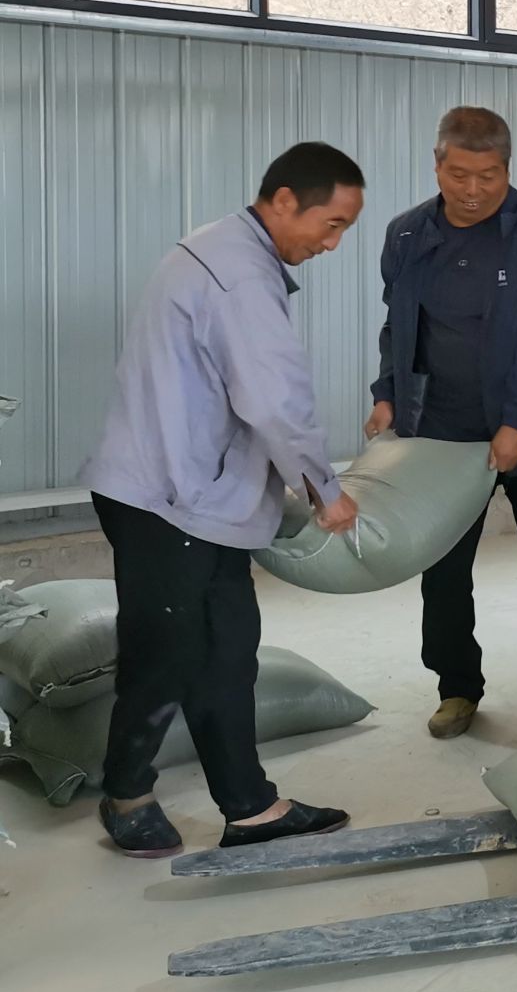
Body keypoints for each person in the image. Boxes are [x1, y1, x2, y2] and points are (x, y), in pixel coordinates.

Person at [81, 143, 364, 857]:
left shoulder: (224, 249)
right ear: (284, 201)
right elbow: (274, 398)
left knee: (229, 651)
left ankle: (251, 807)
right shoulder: (240, 275)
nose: (331, 244)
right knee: (167, 653)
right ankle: (126, 795)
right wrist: (325, 489)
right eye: (331, 224)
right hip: (167, 497)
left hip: (197, 494)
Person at [365, 106, 517, 739]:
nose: (472, 190)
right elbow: (399, 325)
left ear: (507, 168)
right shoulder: (407, 234)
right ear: (437, 164)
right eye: (459, 175)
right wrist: (388, 395)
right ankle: (457, 687)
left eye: (488, 176)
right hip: (443, 430)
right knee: (442, 566)